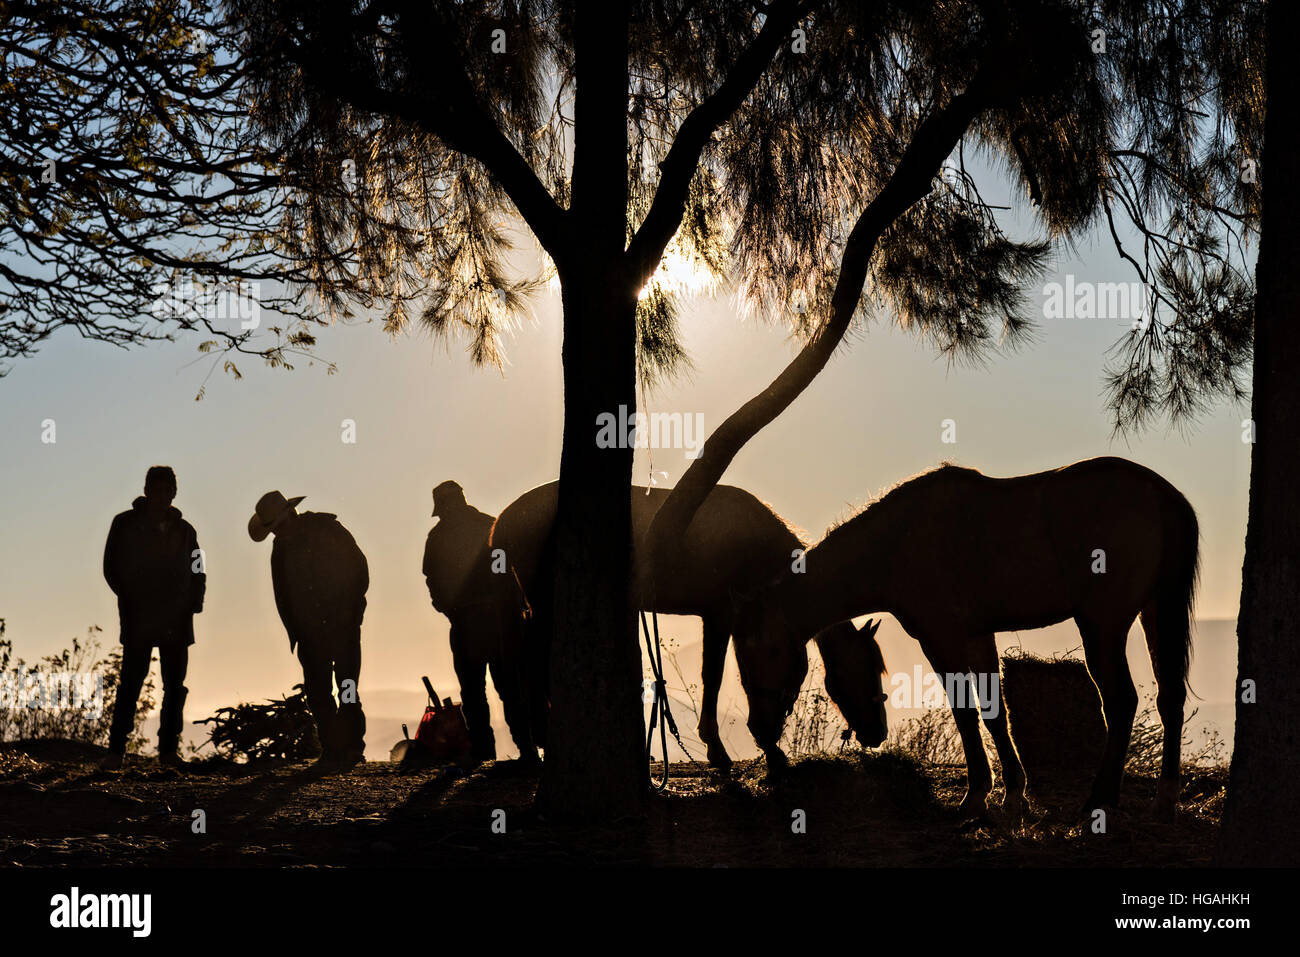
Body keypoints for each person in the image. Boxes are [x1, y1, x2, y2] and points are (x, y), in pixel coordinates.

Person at [248, 490, 369, 771]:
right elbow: (285, 595)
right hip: (312, 632)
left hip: (341, 625)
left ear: (290, 514)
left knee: (346, 687)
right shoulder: (283, 548)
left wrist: (350, 613)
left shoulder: (328, 530)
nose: (278, 534)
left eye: (278, 527)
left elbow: (358, 570)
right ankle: (334, 750)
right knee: (319, 693)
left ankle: (350, 748)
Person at [422, 480, 536, 764]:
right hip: (498, 621)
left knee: (474, 692)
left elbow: (432, 579)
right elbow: (510, 570)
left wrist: (449, 608)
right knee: (509, 688)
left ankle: (484, 752)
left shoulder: (438, 537)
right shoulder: (492, 525)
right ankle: (527, 750)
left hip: (467, 622)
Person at [102, 466, 205, 769]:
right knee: (130, 684)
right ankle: (115, 752)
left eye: (167, 490)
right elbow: (111, 568)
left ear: (174, 493)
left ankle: (169, 754)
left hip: (177, 620)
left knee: (175, 687)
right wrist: (133, 597)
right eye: (156, 489)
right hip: (138, 618)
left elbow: (198, 568)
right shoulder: (124, 524)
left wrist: (194, 602)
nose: (161, 495)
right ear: (146, 490)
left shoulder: (187, 531)